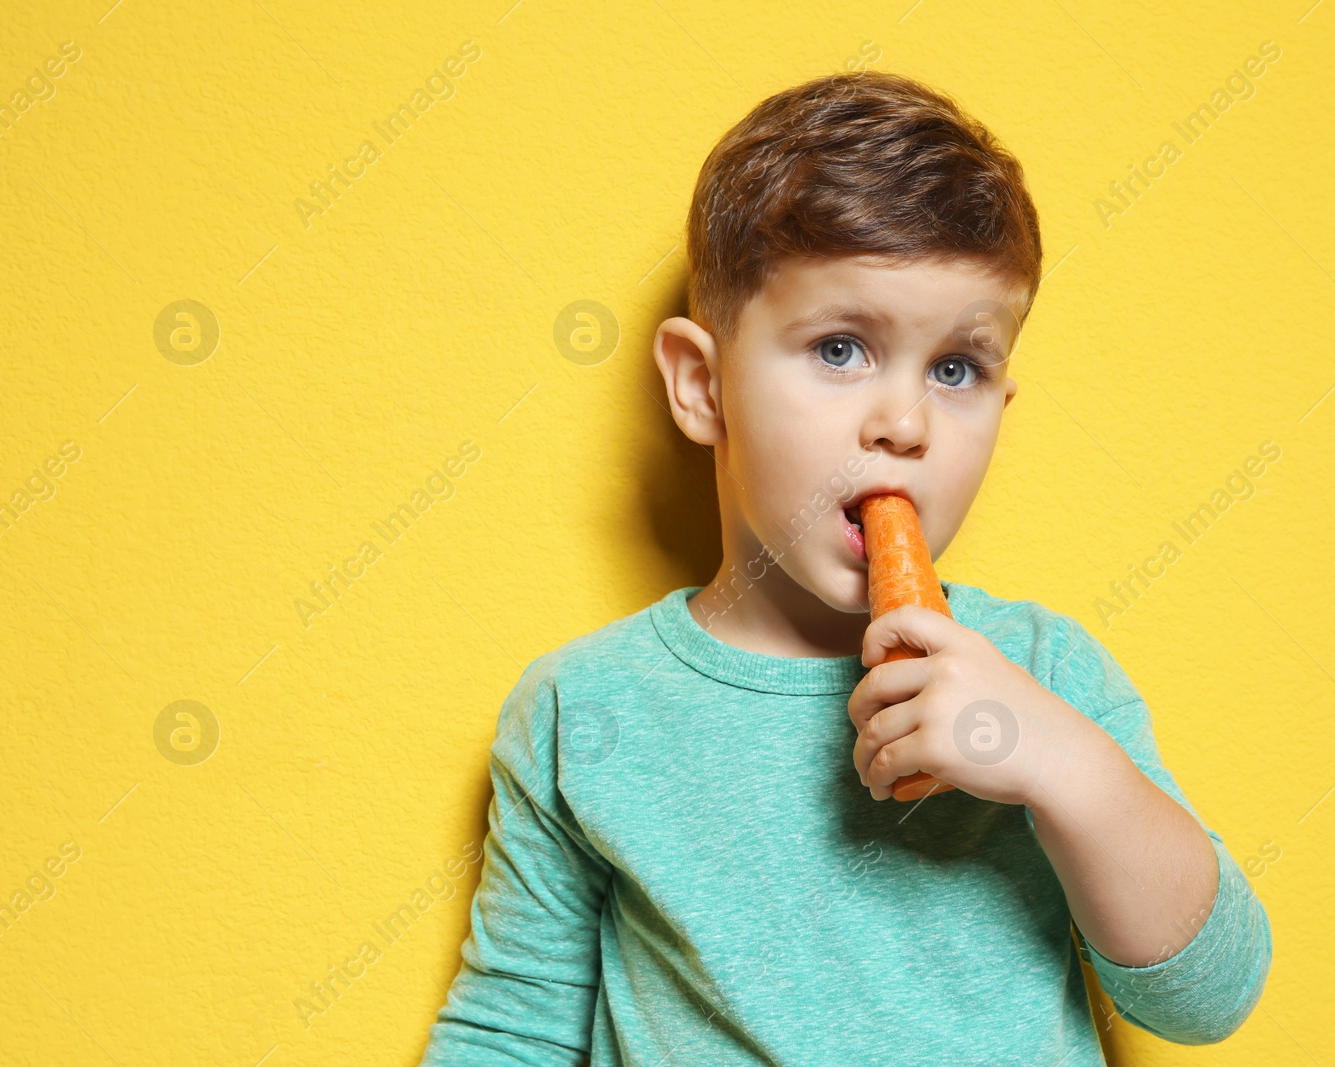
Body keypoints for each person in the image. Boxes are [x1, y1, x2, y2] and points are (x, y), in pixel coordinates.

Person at [419, 69, 1271, 1065]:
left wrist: (1060, 764)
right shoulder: (583, 707)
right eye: (838, 348)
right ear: (702, 386)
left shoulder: (1045, 673)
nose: (903, 423)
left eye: (956, 368)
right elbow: (509, 1032)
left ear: (1000, 408)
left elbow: (1207, 998)